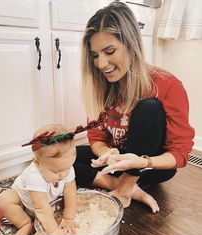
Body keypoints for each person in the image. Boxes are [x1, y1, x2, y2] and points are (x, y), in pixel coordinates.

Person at [74, 2, 195, 213]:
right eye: (95, 55)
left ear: (132, 45)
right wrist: (106, 153)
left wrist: (140, 162)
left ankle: (127, 187)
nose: (101, 64)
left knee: (148, 108)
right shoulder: (101, 86)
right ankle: (123, 187)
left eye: (109, 51)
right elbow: (96, 136)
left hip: (148, 166)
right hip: (116, 164)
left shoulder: (166, 84)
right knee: (62, 158)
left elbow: (181, 154)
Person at [0, 124, 77, 235]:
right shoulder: (34, 176)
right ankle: (25, 223)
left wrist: (68, 217)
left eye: (67, 168)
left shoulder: (66, 169)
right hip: (26, 203)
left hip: (50, 205)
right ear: (38, 163)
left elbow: (71, 192)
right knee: (4, 200)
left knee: (53, 222)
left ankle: (40, 234)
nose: (63, 174)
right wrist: (54, 233)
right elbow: (41, 208)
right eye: (56, 171)